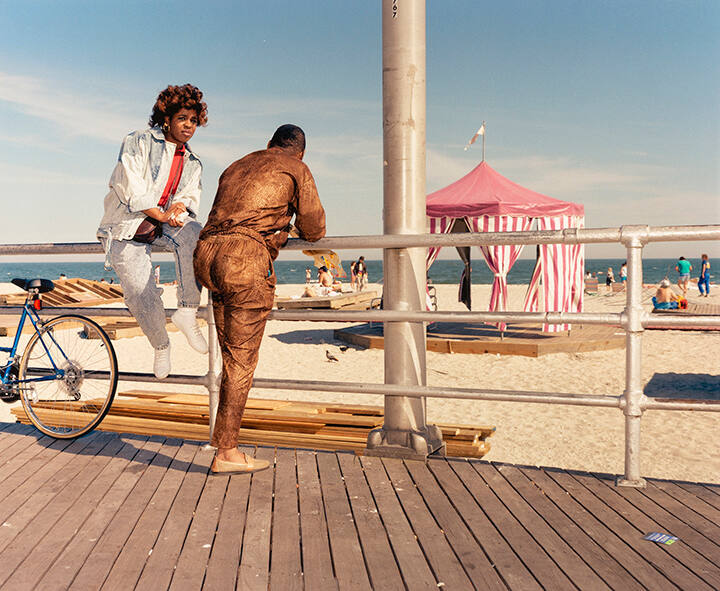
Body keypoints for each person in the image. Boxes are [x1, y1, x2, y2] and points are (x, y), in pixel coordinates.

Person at [193, 124, 326, 474]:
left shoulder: (237, 164)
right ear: (301, 151)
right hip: (244, 259)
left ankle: (224, 443)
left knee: (229, 355)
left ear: (268, 144)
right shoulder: (297, 168)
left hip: (206, 255)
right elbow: (314, 229)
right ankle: (227, 452)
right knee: (240, 362)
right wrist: (287, 229)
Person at [97, 84, 209, 379]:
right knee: (139, 292)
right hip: (127, 224)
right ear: (167, 118)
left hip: (163, 224)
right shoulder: (138, 141)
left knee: (194, 233)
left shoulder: (193, 162)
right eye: (183, 118)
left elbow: (188, 195)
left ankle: (187, 311)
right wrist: (156, 211)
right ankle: (161, 345)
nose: (188, 126)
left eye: (194, 121)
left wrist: (178, 208)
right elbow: (130, 183)